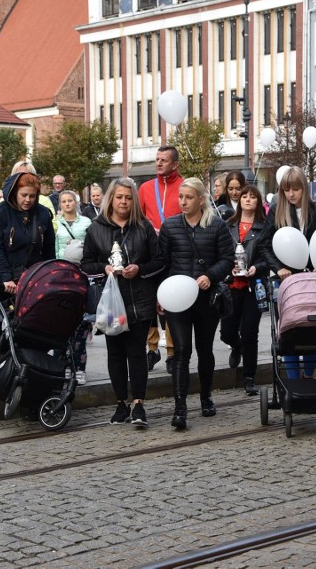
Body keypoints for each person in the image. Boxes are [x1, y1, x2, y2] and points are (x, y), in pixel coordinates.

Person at [81, 177, 162, 425]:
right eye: (119, 197)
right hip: (110, 301)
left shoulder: (143, 227)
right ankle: (120, 404)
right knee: (115, 353)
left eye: (128, 197)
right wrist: (104, 268)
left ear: (133, 200)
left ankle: (138, 404)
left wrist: (140, 269)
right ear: (111, 199)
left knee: (136, 352)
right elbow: (86, 265)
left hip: (139, 298)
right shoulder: (96, 228)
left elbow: (159, 261)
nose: (124, 202)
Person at [157, 177, 233, 429]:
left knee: (204, 349)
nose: (183, 202)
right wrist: (161, 293)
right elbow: (163, 263)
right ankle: (179, 407)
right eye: (181, 197)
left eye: (188, 197)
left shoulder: (217, 226)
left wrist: (210, 276)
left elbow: (227, 259)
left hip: (205, 299)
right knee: (180, 351)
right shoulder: (170, 226)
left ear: (201, 199)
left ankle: (206, 395)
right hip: (177, 299)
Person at [259, 166, 316, 381]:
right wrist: (278, 268)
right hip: (286, 279)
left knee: (313, 327)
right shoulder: (276, 212)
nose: (291, 194)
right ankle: (292, 378)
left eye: (296, 189)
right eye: (286, 190)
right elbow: (264, 244)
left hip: (312, 278)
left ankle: (308, 376)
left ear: (304, 189)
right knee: (288, 329)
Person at [221, 184, 269, 396]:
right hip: (231, 286)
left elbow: (270, 258)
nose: (248, 200)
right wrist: (226, 267)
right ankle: (236, 346)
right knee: (227, 332)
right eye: (244, 197)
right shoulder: (228, 225)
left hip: (253, 286)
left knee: (250, 332)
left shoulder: (264, 227)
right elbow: (220, 253)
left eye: (253, 197)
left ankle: (249, 376)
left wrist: (256, 268)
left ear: (258, 202)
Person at [139, 146, 183, 373]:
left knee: (170, 305)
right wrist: (149, 232)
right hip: (151, 255)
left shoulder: (184, 188)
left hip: (175, 256)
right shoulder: (146, 188)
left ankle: (173, 353)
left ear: (174, 164)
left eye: (163, 160)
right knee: (149, 304)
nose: (158, 163)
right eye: (156, 159)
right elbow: (139, 220)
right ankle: (152, 348)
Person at [0, 172, 55, 298]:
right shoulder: (1, 212)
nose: (28, 200)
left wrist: (48, 274)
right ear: (15, 192)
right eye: (23, 195)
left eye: (32, 196)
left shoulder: (42, 213)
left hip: (34, 277)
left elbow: (49, 248)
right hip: (7, 279)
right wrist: (6, 276)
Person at [55, 189, 94, 384]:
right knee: (62, 322)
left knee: (81, 323)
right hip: (62, 272)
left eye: (70, 200)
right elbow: (54, 247)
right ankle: (65, 366)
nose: (67, 204)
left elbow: (92, 245)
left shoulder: (86, 222)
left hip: (82, 271)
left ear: (76, 203)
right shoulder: (57, 223)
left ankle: (80, 368)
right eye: (64, 201)